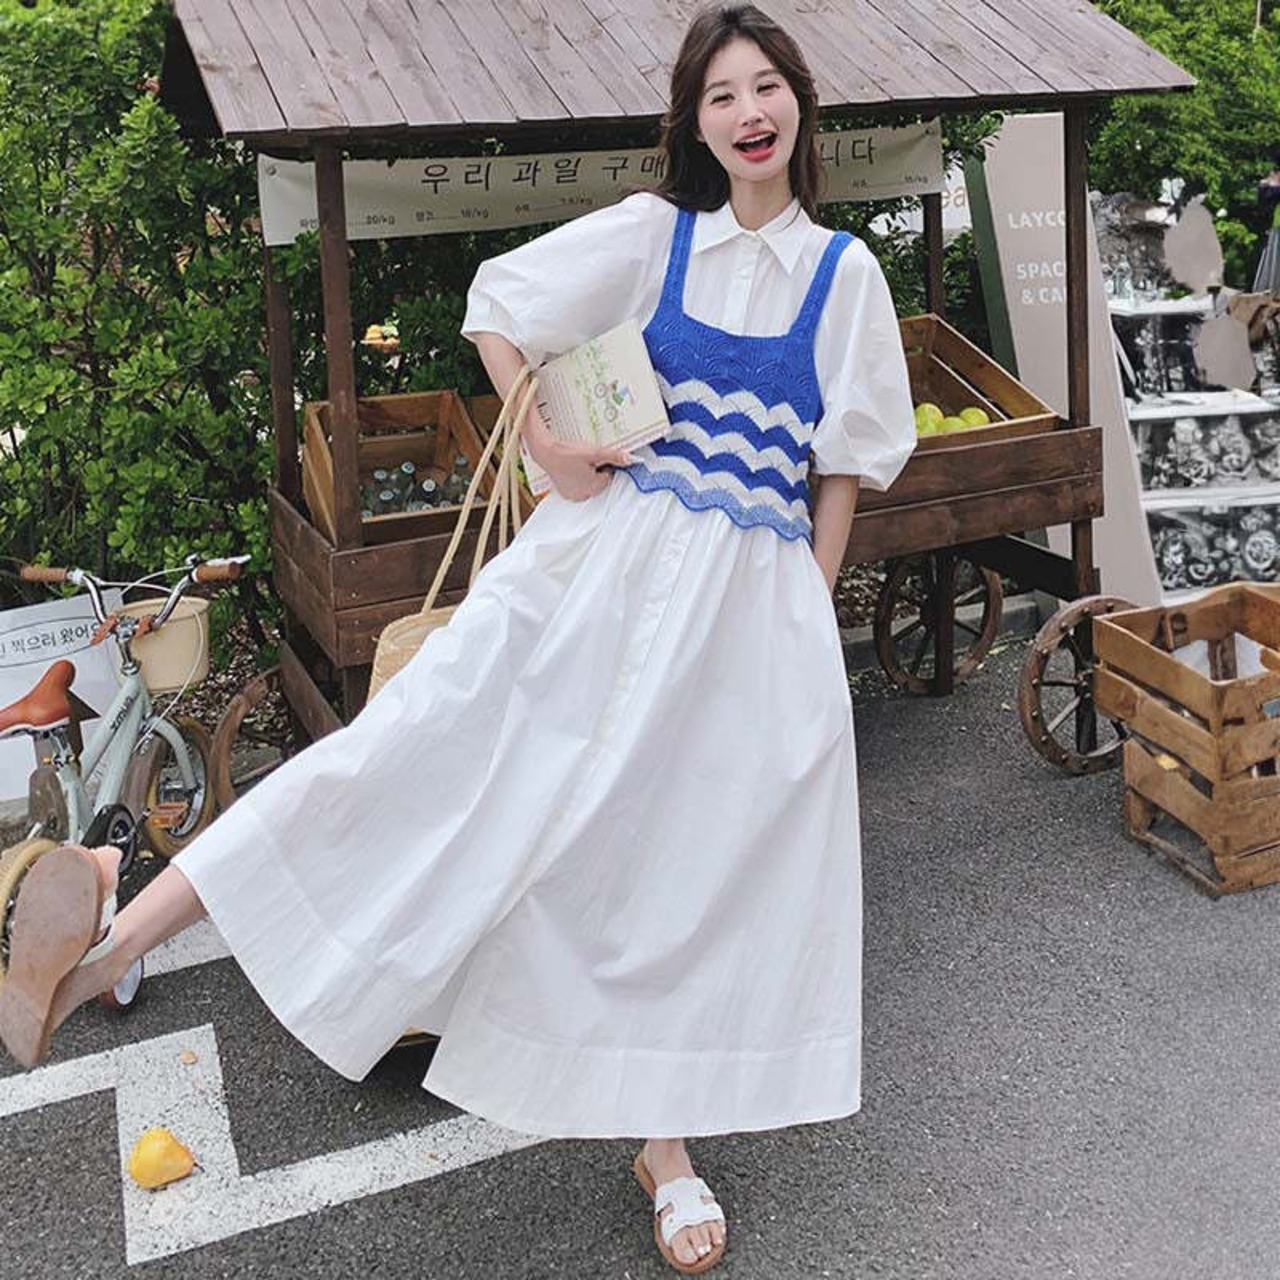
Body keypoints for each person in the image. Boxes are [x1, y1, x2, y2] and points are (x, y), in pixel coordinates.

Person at [0, 5, 914, 1273]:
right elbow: (502, 306)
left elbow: (843, 467)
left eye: (765, 87)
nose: (747, 112)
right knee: (398, 756)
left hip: (742, 613)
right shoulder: (655, 236)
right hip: (593, 579)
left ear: (797, 102)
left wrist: (808, 610)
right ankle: (106, 937)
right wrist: (547, 443)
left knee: (683, 864)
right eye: (720, 95)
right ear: (695, 123)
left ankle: (664, 1145)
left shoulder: (843, 274)